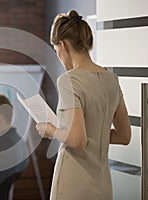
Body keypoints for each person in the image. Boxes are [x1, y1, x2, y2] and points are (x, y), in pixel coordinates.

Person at [36, 10, 131, 200]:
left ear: (63, 45)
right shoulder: (111, 80)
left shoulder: (68, 80)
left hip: (73, 181)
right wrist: (94, 133)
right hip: (103, 182)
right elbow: (124, 136)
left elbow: (77, 140)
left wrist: (51, 130)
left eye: (56, 51)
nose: (59, 57)